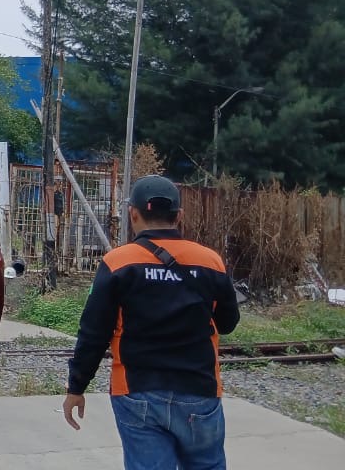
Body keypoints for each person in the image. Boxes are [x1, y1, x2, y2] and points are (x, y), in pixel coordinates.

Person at [63, 174, 240, 470]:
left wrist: (76, 388)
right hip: (199, 390)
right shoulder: (211, 262)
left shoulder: (117, 263)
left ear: (133, 214)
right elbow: (227, 322)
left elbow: (93, 334)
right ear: (179, 216)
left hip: (136, 392)